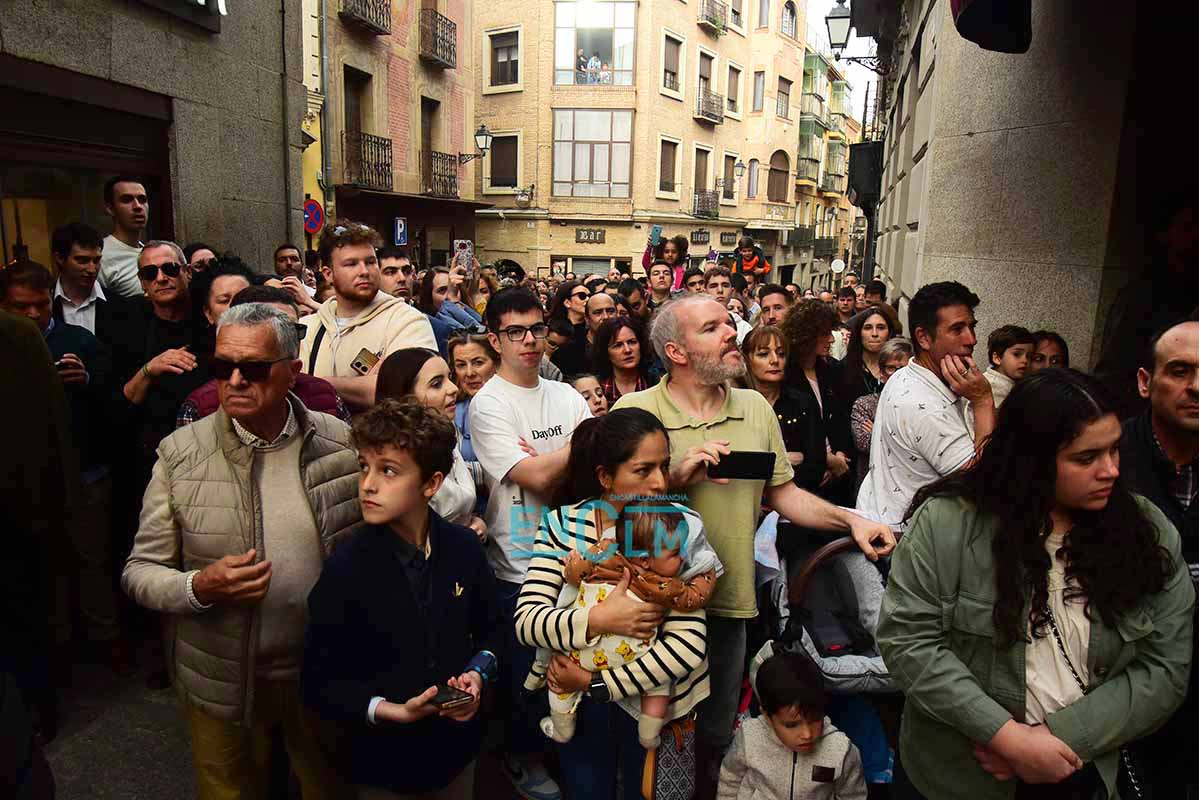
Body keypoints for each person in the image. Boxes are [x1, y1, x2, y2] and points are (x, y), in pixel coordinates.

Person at [612, 293, 894, 800]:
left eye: (728, 322)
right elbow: (606, 511)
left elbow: (784, 495)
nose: (730, 333)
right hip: (650, 611)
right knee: (646, 737)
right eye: (713, 327)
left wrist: (850, 520)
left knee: (716, 735)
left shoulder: (754, 409)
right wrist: (673, 476)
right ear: (676, 352)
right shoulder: (633, 411)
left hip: (729, 605)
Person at [878, 369, 1195, 800]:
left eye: (1115, 451)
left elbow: (1165, 666)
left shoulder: (1146, 532)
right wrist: (1007, 737)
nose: (1111, 471)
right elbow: (908, 640)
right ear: (1032, 459)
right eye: (1086, 458)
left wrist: (1062, 738)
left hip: (1081, 771)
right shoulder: (946, 524)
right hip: (957, 775)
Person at [122, 303, 363, 800]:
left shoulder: (340, 442)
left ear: (292, 373)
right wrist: (198, 587)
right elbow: (140, 570)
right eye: (221, 367)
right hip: (221, 677)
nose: (233, 381)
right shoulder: (180, 454)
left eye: (252, 369)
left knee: (330, 786)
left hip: (321, 672)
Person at [302, 397, 501, 800]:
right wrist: (388, 710)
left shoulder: (463, 548)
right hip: (381, 761)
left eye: (388, 471)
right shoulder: (347, 567)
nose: (368, 484)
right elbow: (319, 680)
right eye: (364, 467)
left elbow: (493, 631)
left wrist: (477, 676)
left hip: (454, 752)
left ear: (431, 483)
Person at [514, 409, 716, 800]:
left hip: (656, 708)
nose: (660, 483)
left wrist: (597, 683)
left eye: (664, 466)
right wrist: (600, 618)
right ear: (606, 476)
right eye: (643, 470)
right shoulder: (563, 525)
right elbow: (528, 621)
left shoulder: (679, 527)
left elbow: (688, 646)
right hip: (579, 708)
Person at [468, 287, 592, 800]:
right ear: (495, 339)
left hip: (580, 558)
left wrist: (557, 459)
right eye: (515, 332)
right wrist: (576, 447)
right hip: (518, 562)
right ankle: (522, 757)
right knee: (526, 678)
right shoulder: (488, 403)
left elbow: (589, 475)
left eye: (537, 329)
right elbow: (537, 479)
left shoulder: (565, 395)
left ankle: (561, 751)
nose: (529, 341)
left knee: (570, 669)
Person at [0, 263, 122, 672]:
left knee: (92, 563)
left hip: (86, 473)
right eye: (21, 307)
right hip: (27, 484)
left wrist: (86, 381)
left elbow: (114, 401)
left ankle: (104, 644)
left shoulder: (79, 341)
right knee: (43, 570)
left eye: (40, 306)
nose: (33, 316)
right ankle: (58, 649)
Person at [533, 505, 718, 749]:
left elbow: (576, 572)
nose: (683, 557)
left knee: (559, 683)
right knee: (659, 684)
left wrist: (572, 565)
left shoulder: (605, 554)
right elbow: (694, 598)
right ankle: (649, 733)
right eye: (675, 553)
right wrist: (706, 575)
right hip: (637, 656)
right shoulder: (666, 585)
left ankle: (561, 728)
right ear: (644, 559)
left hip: (582, 655)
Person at [1119, 317, 1199, 796]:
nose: (1197, 387)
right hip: (1119, 699)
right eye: (1181, 371)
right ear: (1146, 382)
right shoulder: (1107, 462)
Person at [856, 281, 996, 526]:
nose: (971, 339)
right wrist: (983, 401)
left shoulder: (909, 374)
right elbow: (983, 484)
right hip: (905, 543)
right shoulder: (923, 404)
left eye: (972, 327)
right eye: (957, 329)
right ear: (923, 337)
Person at [0, 307, 78, 743]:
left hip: (17, 508)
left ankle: (38, 707)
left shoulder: (16, 335)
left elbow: (54, 424)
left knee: (23, 612)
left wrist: (62, 501)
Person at [108, 240, 209, 565]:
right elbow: (119, 403)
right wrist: (150, 369)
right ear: (142, 284)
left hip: (205, 459)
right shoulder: (126, 326)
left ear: (186, 273)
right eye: (150, 273)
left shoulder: (207, 319)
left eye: (170, 269)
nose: (161, 277)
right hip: (149, 462)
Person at [299, 221, 437, 411]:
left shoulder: (407, 321)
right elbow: (289, 389)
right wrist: (364, 385)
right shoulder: (307, 328)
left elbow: (406, 392)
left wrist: (320, 384)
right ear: (328, 273)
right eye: (351, 264)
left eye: (370, 262)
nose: (364, 271)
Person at [178, 285, 351, 427]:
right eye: (224, 367)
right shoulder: (199, 409)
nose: (236, 381)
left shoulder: (325, 397)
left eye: (291, 329)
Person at [1095, 192, 1199, 420]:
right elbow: (1113, 374)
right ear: (1166, 235)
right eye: (1188, 227)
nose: (1196, 236)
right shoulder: (1140, 297)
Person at [718, 650, 867, 800]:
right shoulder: (749, 737)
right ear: (768, 717)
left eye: (815, 719)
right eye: (791, 725)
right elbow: (730, 778)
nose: (807, 734)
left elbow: (854, 796)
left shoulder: (841, 750)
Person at [377, 348, 487, 538]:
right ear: (406, 398)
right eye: (437, 384)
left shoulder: (442, 439)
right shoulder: (393, 464)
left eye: (449, 378)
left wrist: (474, 523)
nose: (453, 388)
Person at [782, 300, 856, 506]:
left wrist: (840, 455)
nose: (832, 339)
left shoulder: (831, 370)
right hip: (801, 483)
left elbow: (840, 418)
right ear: (807, 336)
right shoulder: (785, 375)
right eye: (825, 333)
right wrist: (825, 460)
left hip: (836, 480)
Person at [741, 325, 825, 492]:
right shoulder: (736, 403)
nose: (774, 360)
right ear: (747, 359)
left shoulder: (803, 403)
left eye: (781, 354)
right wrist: (783, 460)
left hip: (795, 502)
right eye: (763, 354)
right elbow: (732, 467)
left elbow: (815, 468)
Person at [849, 338, 914, 486]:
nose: (897, 374)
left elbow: (918, 446)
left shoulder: (921, 404)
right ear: (882, 373)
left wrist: (877, 431)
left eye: (902, 368)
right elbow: (864, 444)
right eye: (891, 368)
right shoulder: (864, 404)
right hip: (874, 483)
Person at [50, 222, 111, 335]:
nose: (92, 270)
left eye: (96, 261)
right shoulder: (44, 304)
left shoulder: (119, 307)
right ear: (59, 258)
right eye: (82, 261)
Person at [189, 256, 256, 358]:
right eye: (224, 301)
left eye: (243, 297)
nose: (236, 305)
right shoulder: (193, 361)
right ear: (208, 313)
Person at [837, 304, 901, 406]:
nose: (874, 333)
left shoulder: (901, 369)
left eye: (881, 327)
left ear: (889, 333)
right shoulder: (841, 369)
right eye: (868, 328)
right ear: (859, 333)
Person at [98, 175, 148, 298]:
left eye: (142, 200)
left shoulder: (149, 252)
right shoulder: (100, 256)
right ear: (110, 208)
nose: (138, 206)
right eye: (126, 200)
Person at [593, 316, 656, 407]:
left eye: (632, 342)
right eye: (618, 345)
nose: (627, 350)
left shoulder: (655, 383)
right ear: (605, 352)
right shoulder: (598, 389)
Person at [554, 292, 618, 378]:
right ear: (587, 319)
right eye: (598, 312)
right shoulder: (569, 351)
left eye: (610, 311)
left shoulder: (629, 342)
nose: (605, 317)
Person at [416, 267, 469, 357]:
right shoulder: (425, 332)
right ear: (429, 296)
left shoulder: (473, 318)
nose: (449, 295)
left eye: (454, 289)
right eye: (442, 290)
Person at [983, 324, 1036, 408]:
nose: (1025, 360)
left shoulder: (1010, 381)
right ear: (997, 358)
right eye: (1017, 354)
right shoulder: (993, 387)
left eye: (1029, 356)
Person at [705, 266, 752, 344]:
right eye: (713, 286)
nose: (720, 290)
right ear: (705, 291)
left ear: (732, 291)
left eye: (725, 285)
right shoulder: (695, 323)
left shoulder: (744, 328)